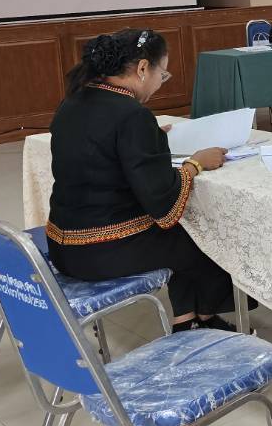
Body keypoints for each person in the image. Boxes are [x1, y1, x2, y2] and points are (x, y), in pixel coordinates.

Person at [46, 29, 236, 330]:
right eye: (163, 74)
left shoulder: (74, 100)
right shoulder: (131, 115)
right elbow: (163, 203)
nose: (161, 83)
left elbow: (101, 150)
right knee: (205, 238)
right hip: (102, 249)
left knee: (180, 239)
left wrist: (150, 139)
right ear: (143, 68)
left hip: (62, 245)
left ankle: (188, 319)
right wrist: (195, 164)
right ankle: (203, 319)